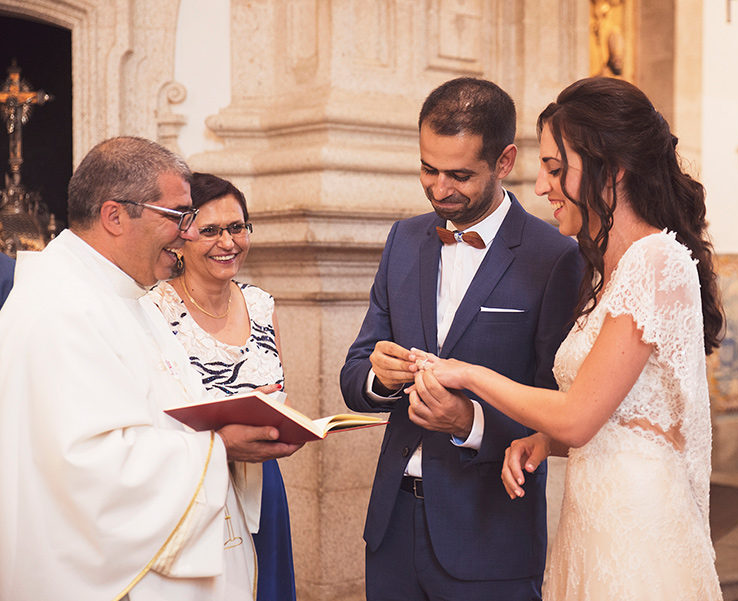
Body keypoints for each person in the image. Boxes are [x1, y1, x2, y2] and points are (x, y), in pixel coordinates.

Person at [411, 76, 726, 600]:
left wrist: (467, 373)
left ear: (614, 169)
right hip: (591, 520)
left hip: (637, 529)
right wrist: (542, 440)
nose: (540, 186)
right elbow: (617, 415)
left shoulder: (656, 260)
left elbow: (579, 417)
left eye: (556, 168)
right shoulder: (608, 268)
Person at [0, 136, 301, 600]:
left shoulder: (120, 295)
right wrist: (218, 447)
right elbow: (86, 468)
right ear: (115, 215)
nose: (188, 232)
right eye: (178, 215)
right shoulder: (60, 310)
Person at [340, 77, 582, 600]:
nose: (439, 188)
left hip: (490, 535)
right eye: (428, 168)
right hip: (392, 528)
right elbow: (355, 372)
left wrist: (470, 423)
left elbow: (564, 411)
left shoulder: (554, 257)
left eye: (459, 174)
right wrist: (378, 379)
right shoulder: (404, 239)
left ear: (504, 161)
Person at [147, 172, 296, 601]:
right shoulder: (155, 308)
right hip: (195, 486)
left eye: (237, 227)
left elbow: (279, 391)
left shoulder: (262, 303)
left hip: (264, 484)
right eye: (209, 230)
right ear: (180, 238)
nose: (227, 242)